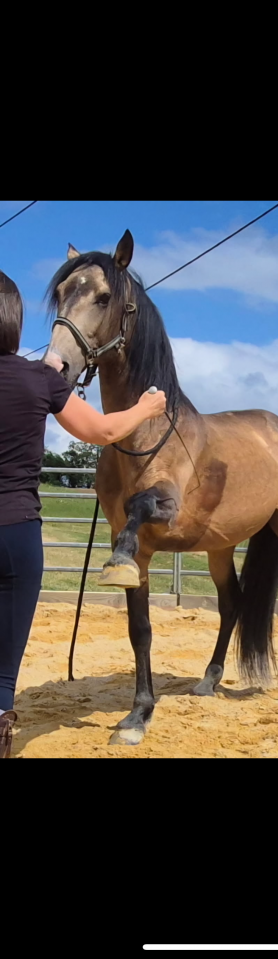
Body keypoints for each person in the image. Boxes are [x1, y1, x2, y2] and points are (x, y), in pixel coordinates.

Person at [0, 271, 167, 759]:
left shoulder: (40, 377)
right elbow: (100, 431)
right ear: (15, 322)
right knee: (3, 668)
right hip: (15, 536)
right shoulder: (39, 381)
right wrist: (147, 406)